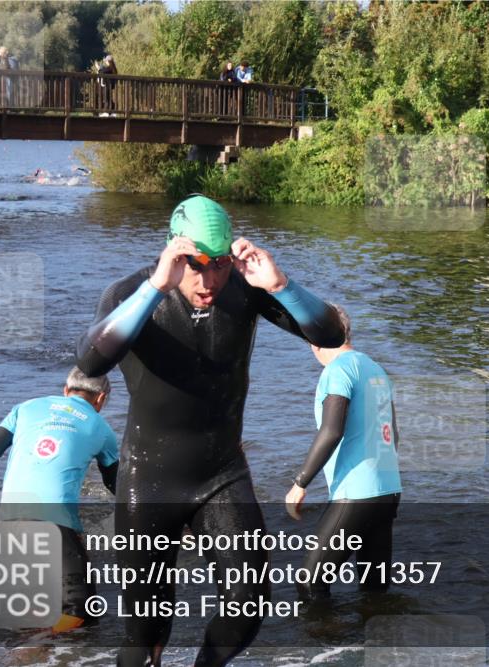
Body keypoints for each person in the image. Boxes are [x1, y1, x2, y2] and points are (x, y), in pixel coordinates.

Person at [76, 194, 344, 666]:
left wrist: (280, 285)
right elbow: (92, 359)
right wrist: (157, 287)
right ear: (174, 254)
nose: (210, 280)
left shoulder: (245, 290)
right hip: (149, 479)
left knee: (252, 596)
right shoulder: (132, 293)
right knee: (145, 634)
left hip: (221, 472)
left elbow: (329, 335)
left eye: (220, 265)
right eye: (196, 266)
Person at [0, 367, 119, 634]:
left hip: (11, 518)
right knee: (82, 612)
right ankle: (32, 652)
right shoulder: (101, 427)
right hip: (53, 520)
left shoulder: (25, 407)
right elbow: (115, 482)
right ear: (100, 399)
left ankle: (28, 652)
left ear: (66, 390)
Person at [285, 306, 402, 601]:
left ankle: (327, 645)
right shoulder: (375, 368)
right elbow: (394, 435)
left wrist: (300, 483)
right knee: (374, 589)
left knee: (310, 582)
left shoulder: (337, 370)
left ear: (315, 338)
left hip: (357, 494)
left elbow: (331, 431)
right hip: (388, 490)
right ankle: (372, 641)